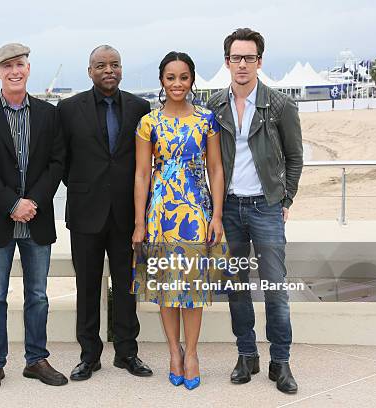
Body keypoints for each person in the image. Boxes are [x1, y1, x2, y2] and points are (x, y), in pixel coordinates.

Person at [206, 28, 303, 394]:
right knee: (236, 286)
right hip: (228, 208)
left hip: (265, 207)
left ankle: (281, 361)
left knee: (275, 287)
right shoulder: (214, 105)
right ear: (227, 61)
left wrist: (285, 200)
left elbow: (295, 158)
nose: (242, 64)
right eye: (236, 57)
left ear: (259, 61)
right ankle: (246, 355)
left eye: (249, 57)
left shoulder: (279, 105)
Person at [0, 43, 67, 391]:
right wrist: (12, 204)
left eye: (20, 64)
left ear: (28, 68)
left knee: (38, 294)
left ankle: (36, 360)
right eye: (7, 66)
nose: (14, 71)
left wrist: (33, 201)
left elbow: (58, 163)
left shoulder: (49, 113)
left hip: (37, 219)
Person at [132, 51, 232, 390]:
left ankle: (192, 355)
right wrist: (139, 222)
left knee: (192, 287)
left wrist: (216, 215)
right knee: (165, 288)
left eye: (184, 77)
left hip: (197, 210)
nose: (177, 83)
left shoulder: (207, 120)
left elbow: (216, 169)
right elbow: (142, 174)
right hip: (161, 213)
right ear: (162, 80)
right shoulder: (149, 122)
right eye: (171, 77)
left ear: (192, 80)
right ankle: (173, 352)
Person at [57, 45, 153, 381]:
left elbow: (145, 160)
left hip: (128, 213)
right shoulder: (68, 109)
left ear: (122, 69)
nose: (108, 70)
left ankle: (127, 353)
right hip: (86, 212)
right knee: (86, 285)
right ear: (90, 71)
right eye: (101, 65)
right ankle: (89, 355)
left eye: (114, 64)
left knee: (127, 285)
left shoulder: (141, 107)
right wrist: (86, 187)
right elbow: (62, 160)